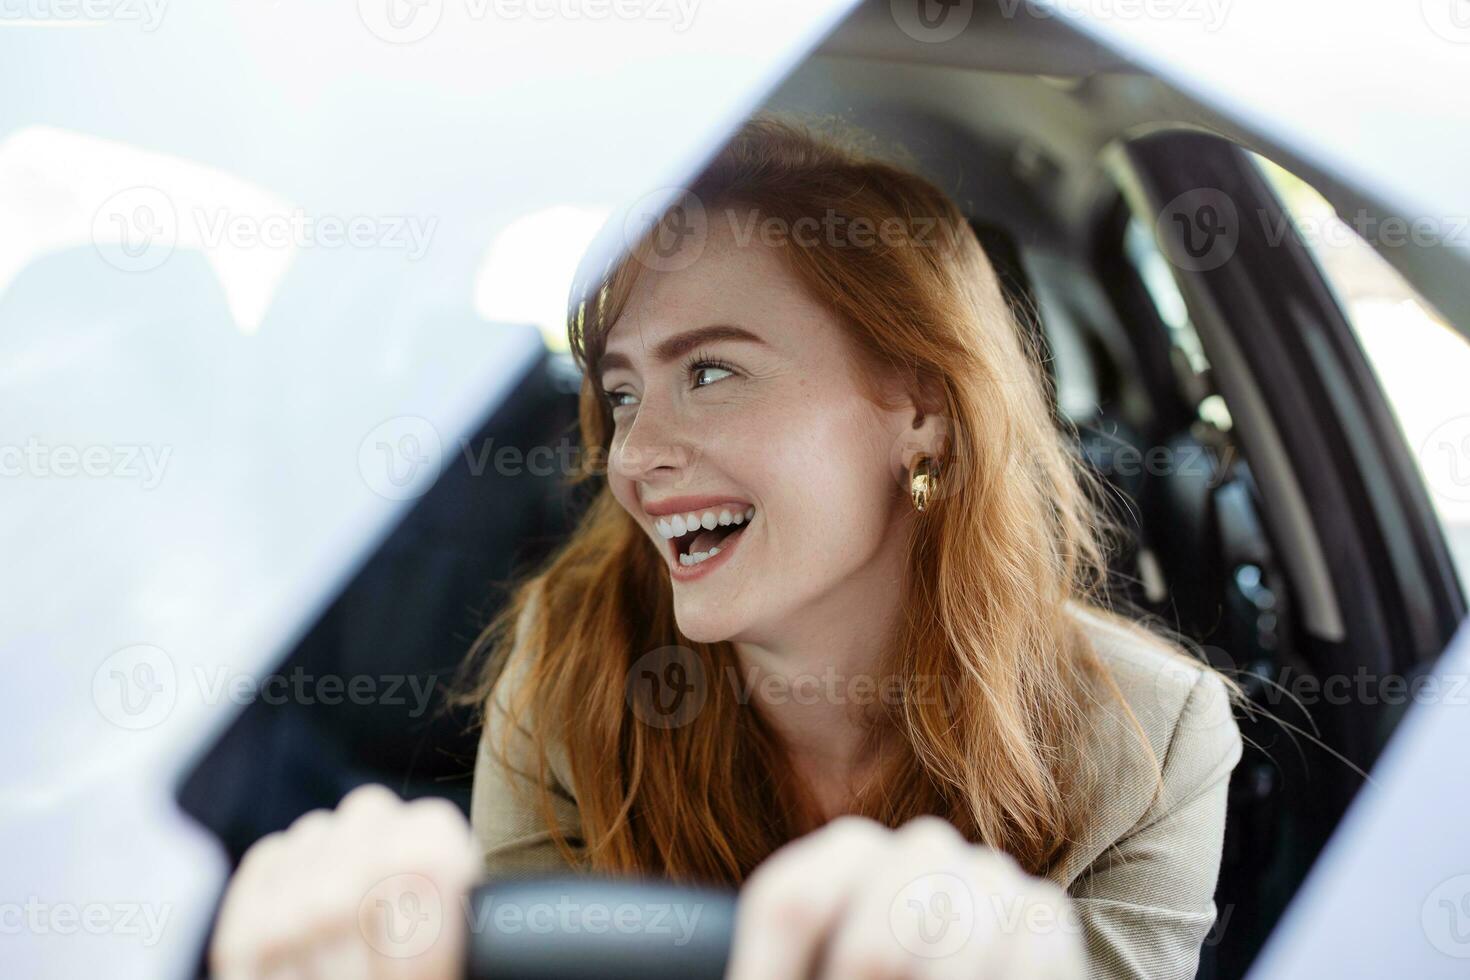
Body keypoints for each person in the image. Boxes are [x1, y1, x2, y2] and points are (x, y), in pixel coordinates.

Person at [210, 116, 1242, 980]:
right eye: (620, 393)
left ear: (920, 406)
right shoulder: (575, 661)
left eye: (712, 372)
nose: (635, 456)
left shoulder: (1152, 741)